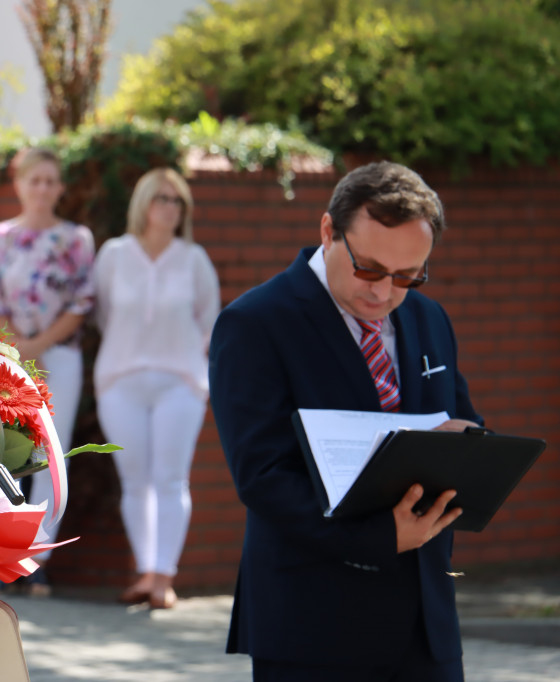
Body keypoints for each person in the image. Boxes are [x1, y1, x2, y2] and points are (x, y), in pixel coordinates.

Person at [209, 161, 481, 681]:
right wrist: (379, 536)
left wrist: (473, 450)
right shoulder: (254, 324)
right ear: (328, 232)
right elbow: (261, 476)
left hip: (427, 624)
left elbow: (462, 419)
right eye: (370, 269)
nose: (384, 292)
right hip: (312, 624)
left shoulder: (430, 317)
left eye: (407, 276)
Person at [93, 168, 220, 610]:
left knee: (169, 478)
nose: (169, 207)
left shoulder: (194, 258)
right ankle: (145, 570)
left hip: (180, 382)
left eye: (177, 200)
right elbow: (105, 313)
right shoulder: (114, 254)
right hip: (120, 380)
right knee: (134, 480)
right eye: (161, 198)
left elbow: (209, 321)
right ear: (143, 203)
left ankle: (164, 576)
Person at [0, 147, 95, 595]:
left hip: (59, 355)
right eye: (35, 180)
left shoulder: (77, 238)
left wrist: (41, 346)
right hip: (9, 353)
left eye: (50, 181)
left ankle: (37, 557)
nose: (42, 188)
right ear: (20, 185)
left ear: (60, 187)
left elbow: (83, 300)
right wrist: (19, 349)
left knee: (50, 453)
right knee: (7, 449)